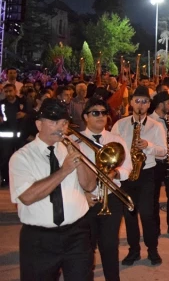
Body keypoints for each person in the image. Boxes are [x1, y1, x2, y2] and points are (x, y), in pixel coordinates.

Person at [9, 98, 96, 280]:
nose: (60, 128)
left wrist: (79, 158)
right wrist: (64, 171)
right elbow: (27, 197)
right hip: (39, 240)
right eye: (53, 122)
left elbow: (90, 185)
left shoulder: (70, 148)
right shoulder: (21, 157)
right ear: (39, 125)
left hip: (77, 234)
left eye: (64, 123)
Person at [111, 86, 167, 266]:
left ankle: (152, 250)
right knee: (130, 215)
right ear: (131, 103)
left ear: (149, 104)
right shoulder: (120, 124)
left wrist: (148, 145)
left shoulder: (156, 126)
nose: (141, 105)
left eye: (144, 101)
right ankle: (133, 251)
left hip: (147, 173)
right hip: (126, 174)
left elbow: (163, 152)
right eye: (137, 101)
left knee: (147, 215)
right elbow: (112, 148)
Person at [78, 97, 132, 281]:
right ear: (86, 117)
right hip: (85, 201)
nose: (101, 116)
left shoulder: (115, 140)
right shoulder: (74, 141)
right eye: (95, 113)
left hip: (111, 198)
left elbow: (128, 168)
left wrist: (116, 174)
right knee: (85, 248)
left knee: (110, 245)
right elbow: (68, 175)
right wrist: (83, 193)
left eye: (104, 113)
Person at [148, 90, 169, 237]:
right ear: (160, 104)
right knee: (154, 196)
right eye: (168, 103)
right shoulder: (149, 121)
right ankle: (155, 226)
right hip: (156, 162)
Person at [0, 83, 26, 186]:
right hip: (6, 136)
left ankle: (21, 179)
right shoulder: (1, 104)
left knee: (21, 158)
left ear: (15, 91)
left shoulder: (22, 102)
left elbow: (32, 114)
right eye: (6, 91)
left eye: (10, 91)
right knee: (5, 158)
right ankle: (6, 179)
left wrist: (25, 115)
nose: (8, 93)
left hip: (20, 136)